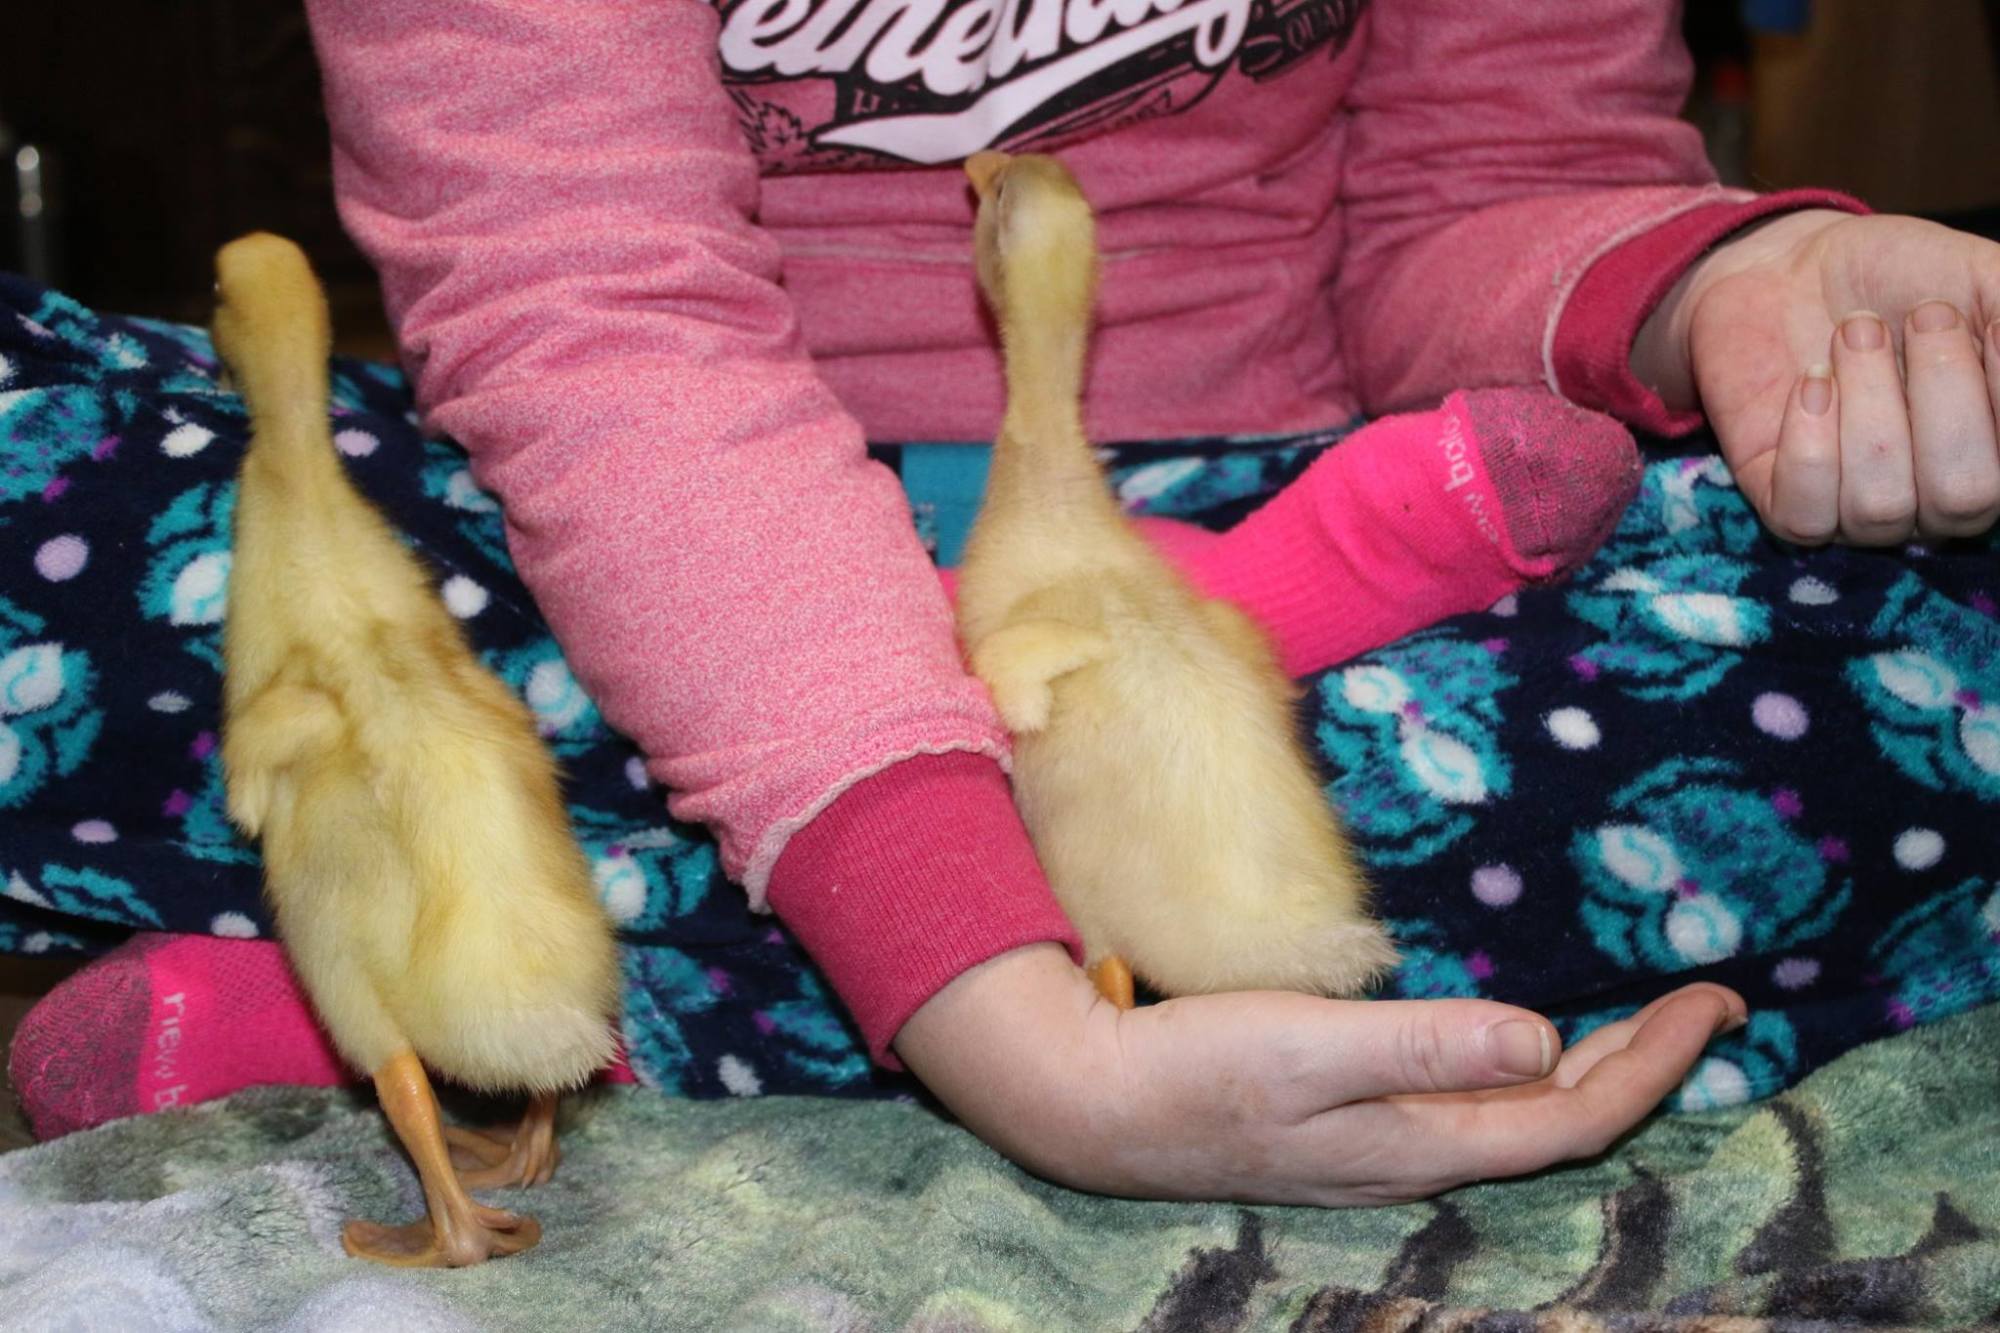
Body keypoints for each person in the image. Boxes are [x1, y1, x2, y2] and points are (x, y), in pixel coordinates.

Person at [11, 0, 1999, 1207]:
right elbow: (590, 318)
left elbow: (1484, 185)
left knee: (1937, 628)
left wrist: (1722, 289)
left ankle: (473, 991)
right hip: (615, 536)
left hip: (1276, 544)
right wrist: (1018, 1037)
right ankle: (980, 945)